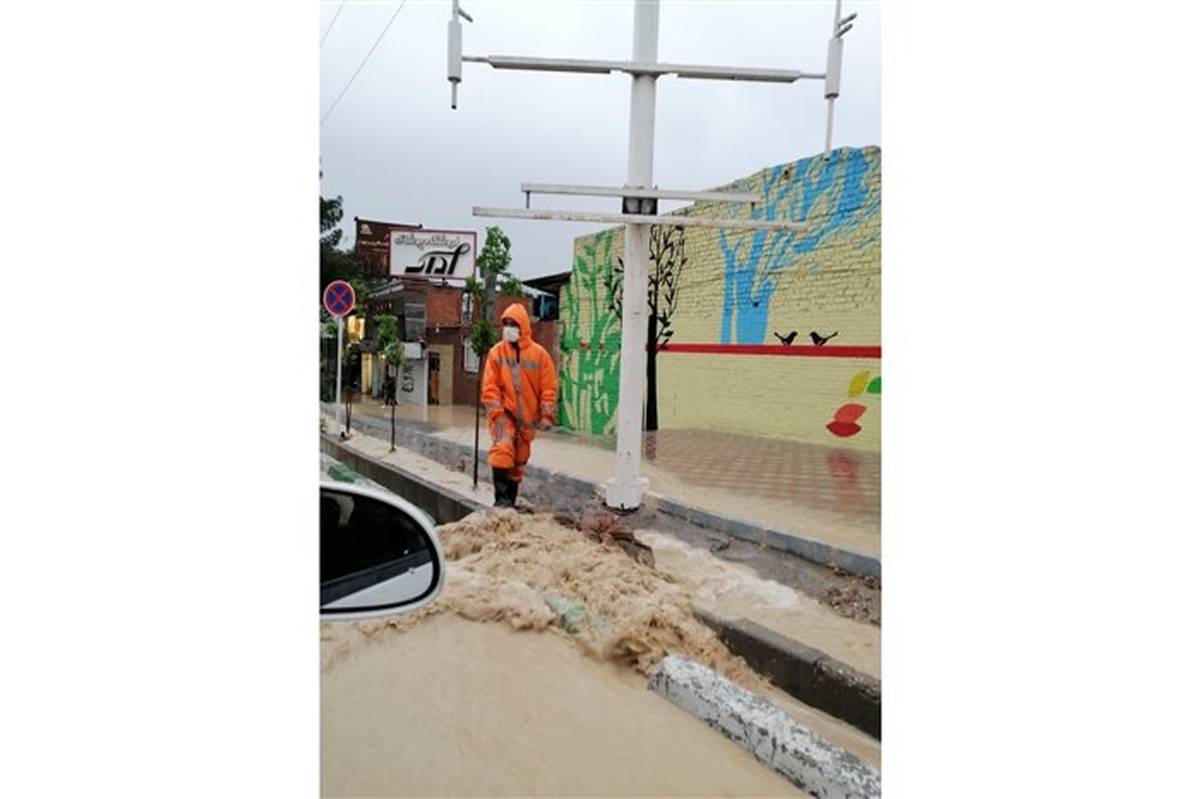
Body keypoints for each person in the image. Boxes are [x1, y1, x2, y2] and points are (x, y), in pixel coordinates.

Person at [480, 302, 558, 508]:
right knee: (502, 450)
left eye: (512, 324)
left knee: (519, 462)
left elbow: (548, 388)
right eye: (505, 324)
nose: (508, 328)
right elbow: (490, 387)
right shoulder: (496, 353)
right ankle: (501, 500)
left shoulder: (539, 355)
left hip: (527, 421)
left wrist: (546, 415)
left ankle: (510, 502)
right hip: (503, 415)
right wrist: (497, 413)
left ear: (523, 326)